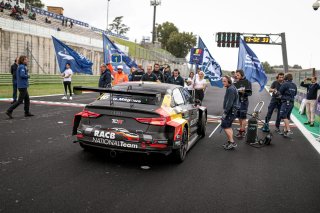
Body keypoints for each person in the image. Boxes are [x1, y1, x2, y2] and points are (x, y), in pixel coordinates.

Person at [221, 76, 239, 150]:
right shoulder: (231, 87)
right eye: (222, 81)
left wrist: (225, 112)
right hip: (232, 111)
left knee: (225, 126)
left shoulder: (231, 89)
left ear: (229, 81)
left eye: (225, 81)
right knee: (228, 126)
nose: (223, 82)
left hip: (230, 111)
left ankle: (232, 142)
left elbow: (230, 103)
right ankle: (230, 141)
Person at [233, 69, 252, 138]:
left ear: (242, 75)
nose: (236, 76)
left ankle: (242, 131)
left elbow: (250, 93)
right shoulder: (236, 81)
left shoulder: (247, 82)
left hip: (244, 102)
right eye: (236, 75)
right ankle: (241, 128)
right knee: (239, 116)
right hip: (237, 101)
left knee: (243, 117)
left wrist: (243, 91)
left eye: (238, 75)